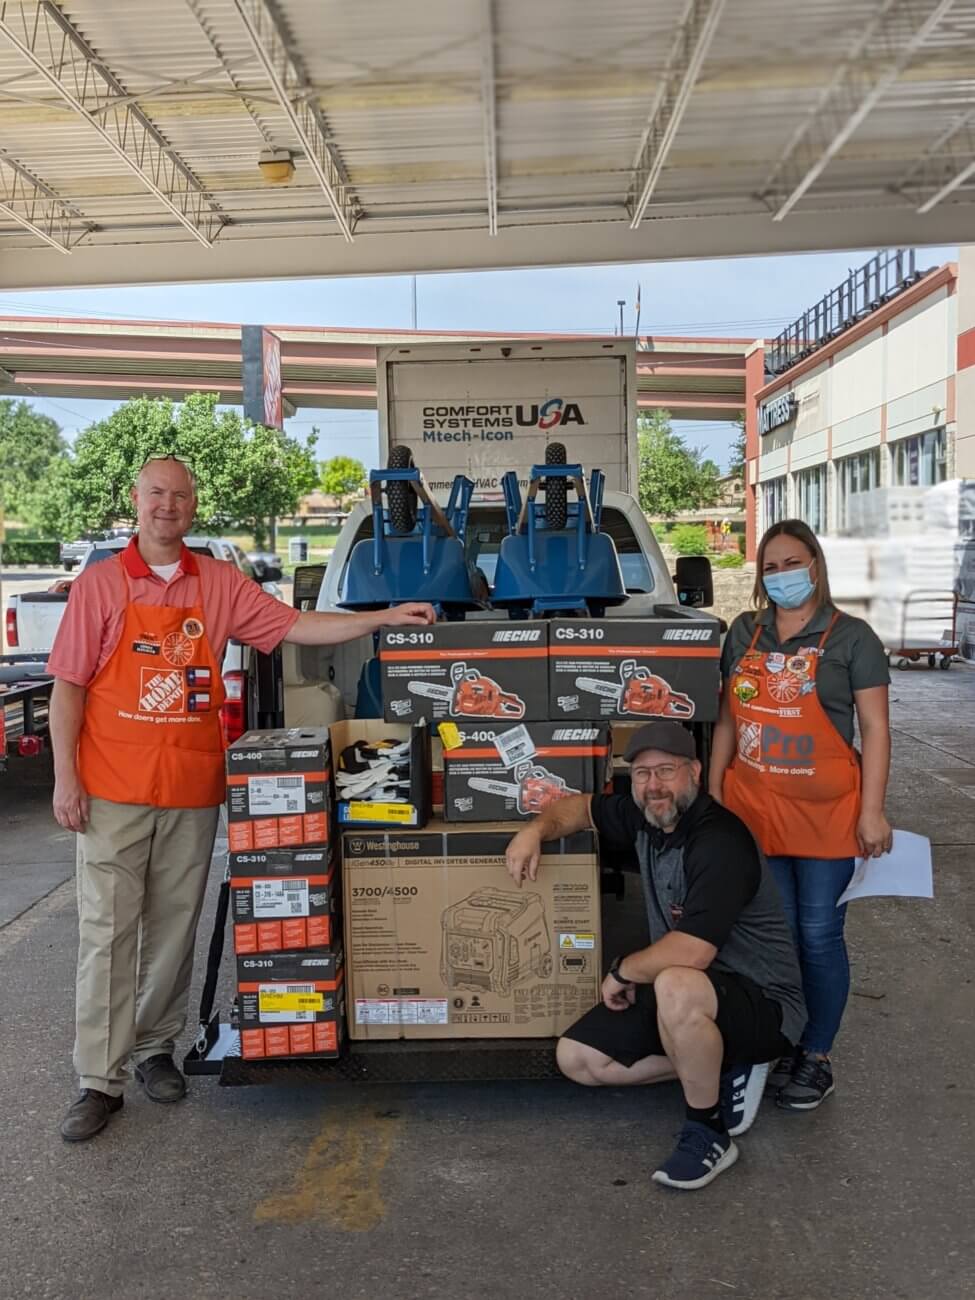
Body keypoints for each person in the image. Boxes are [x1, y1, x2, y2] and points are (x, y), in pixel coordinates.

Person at [49, 453, 435, 1143]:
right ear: (136, 501)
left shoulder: (219, 583)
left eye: (181, 496)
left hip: (192, 789)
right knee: (107, 934)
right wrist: (64, 779)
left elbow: (293, 627)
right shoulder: (102, 585)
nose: (169, 506)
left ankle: (153, 1050)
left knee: (172, 929)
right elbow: (69, 686)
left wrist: (378, 619)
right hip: (111, 788)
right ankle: (97, 1080)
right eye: (157, 494)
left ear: (193, 506)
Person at [505, 720, 806, 1192]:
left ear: (695, 773)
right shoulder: (644, 811)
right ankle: (721, 1061)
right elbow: (580, 808)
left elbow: (693, 951)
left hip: (763, 1002)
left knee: (675, 981)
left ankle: (708, 1132)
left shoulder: (719, 840)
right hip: (692, 999)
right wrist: (534, 831)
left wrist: (623, 970)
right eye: (642, 774)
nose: (653, 785)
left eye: (666, 771)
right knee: (579, 1059)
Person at [708, 518, 891, 1111]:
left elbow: (877, 730)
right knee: (776, 938)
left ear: (815, 563)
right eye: (771, 566)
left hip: (830, 816)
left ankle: (816, 1055)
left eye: (793, 562)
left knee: (817, 935)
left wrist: (873, 812)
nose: (782, 574)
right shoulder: (745, 633)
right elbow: (730, 721)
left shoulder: (852, 638)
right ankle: (785, 1040)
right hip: (756, 810)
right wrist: (714, 795)